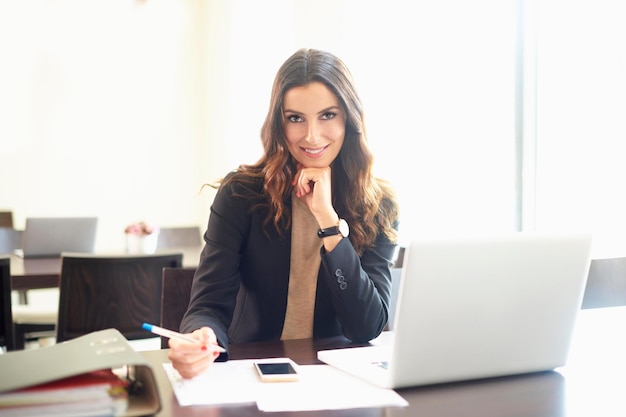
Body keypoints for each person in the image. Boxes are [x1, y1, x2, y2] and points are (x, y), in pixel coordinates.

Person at [169, 48, 400, 378]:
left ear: (349, 118)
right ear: (279, 123)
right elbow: (208, 305)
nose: (311, 136)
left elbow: (366, 327)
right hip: (252, 370)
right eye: (296, 118)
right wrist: (201, 336)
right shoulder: (241, 194)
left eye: (327, 115)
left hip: (335, 377)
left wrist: (328, 221)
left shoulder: (380, 205)